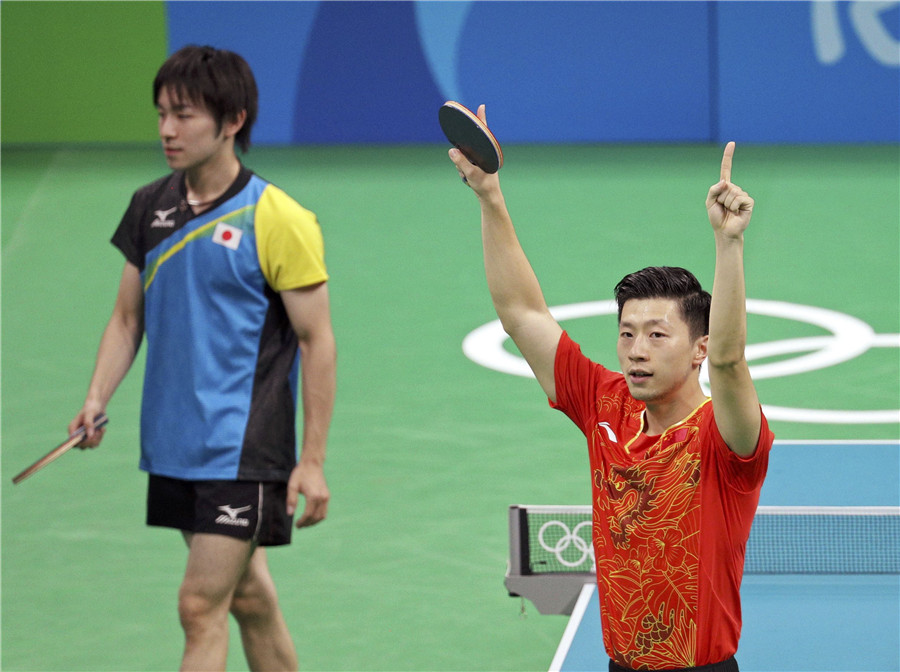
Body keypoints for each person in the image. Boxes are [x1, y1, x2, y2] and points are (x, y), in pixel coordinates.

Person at [449, 107, 773, 672]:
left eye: (656, 335)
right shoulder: (605, 404)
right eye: (626, 334)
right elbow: (522, 312)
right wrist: (490, 198)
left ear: (696, 347)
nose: (636, 349)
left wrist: (729, 245)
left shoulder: (727, 440)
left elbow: (729, 361)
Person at [68, 45, 336, 672]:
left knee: (199, 606)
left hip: (243, 449)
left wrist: (313, 461)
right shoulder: (149, 207)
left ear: (233, 120)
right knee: (247, 595)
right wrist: (96, 396)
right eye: (161, 113)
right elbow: (128, 317)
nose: (166, 129)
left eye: (184, 115)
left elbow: (317, 341)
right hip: (175, 441)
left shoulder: (277, 218)